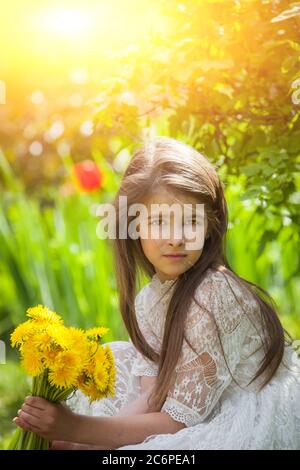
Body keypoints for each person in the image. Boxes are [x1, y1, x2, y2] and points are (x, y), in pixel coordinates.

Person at [14, 136, 300, 450]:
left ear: (210, 225)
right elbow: (152, 397)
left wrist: (77, 429)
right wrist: (82, 442)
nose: (175, 238)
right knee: (118, 358)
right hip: (190, 407)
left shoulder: (216, 294)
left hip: (246, 412)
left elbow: (176, 422)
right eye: (159, 222)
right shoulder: (150, 300)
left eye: (190, 220)